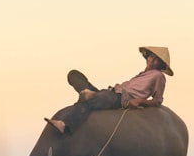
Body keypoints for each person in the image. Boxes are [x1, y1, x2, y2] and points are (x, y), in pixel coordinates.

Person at [45, 46, 173, 134]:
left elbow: (157, 100)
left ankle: (66, 126)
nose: (152, 60)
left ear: (160, 64)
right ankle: (89, 93)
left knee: (90, 102)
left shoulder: (158, 76)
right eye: (151, 56)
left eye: (156, 59)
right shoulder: (144, 73)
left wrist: (139, 100)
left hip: (120, 98)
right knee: (73, 75)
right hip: (110, 92)